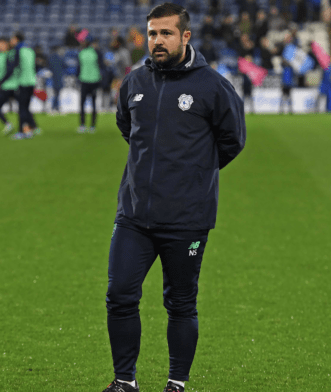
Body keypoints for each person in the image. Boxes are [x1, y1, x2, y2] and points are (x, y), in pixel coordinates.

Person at [105, 4, 246, 392]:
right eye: (152, 33)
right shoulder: (133, 84)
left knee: (180, 304)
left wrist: (194, 176)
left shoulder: (213, 86)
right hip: (134, 214)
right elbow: (127, 129)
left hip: (187, 218)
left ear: (186, 37)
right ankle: (124, 381)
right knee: (119, 295)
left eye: (166, 33)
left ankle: (176, 383)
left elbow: (233, 141)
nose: (157, 41)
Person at [12, 32, 39, 139]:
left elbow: (15, 68)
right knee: (26, 107)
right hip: (32, 82)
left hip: (22, 82)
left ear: (17, 40)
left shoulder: (17, 51)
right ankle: (31, 128)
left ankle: (21, 132)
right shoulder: (30, 50)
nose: (11, 41)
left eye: (12, 39)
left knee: (22, 108)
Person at [77, 37, 103, 134]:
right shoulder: (96, 53)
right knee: (93, 104)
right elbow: (101, 66)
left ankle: (82, 125)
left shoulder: (81, 53)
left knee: (82, 104)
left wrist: (78, 78)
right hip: (94, 81)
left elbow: (78, 68)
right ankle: (92, 126)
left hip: (84, 81)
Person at [48, 45, 65, 114]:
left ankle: (55, 107)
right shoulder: (60, 58)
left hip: (54, 79)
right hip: (58, 78)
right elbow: (65, 65)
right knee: (57, 94)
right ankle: (55, 107)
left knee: (55, 94)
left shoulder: (51, 58)